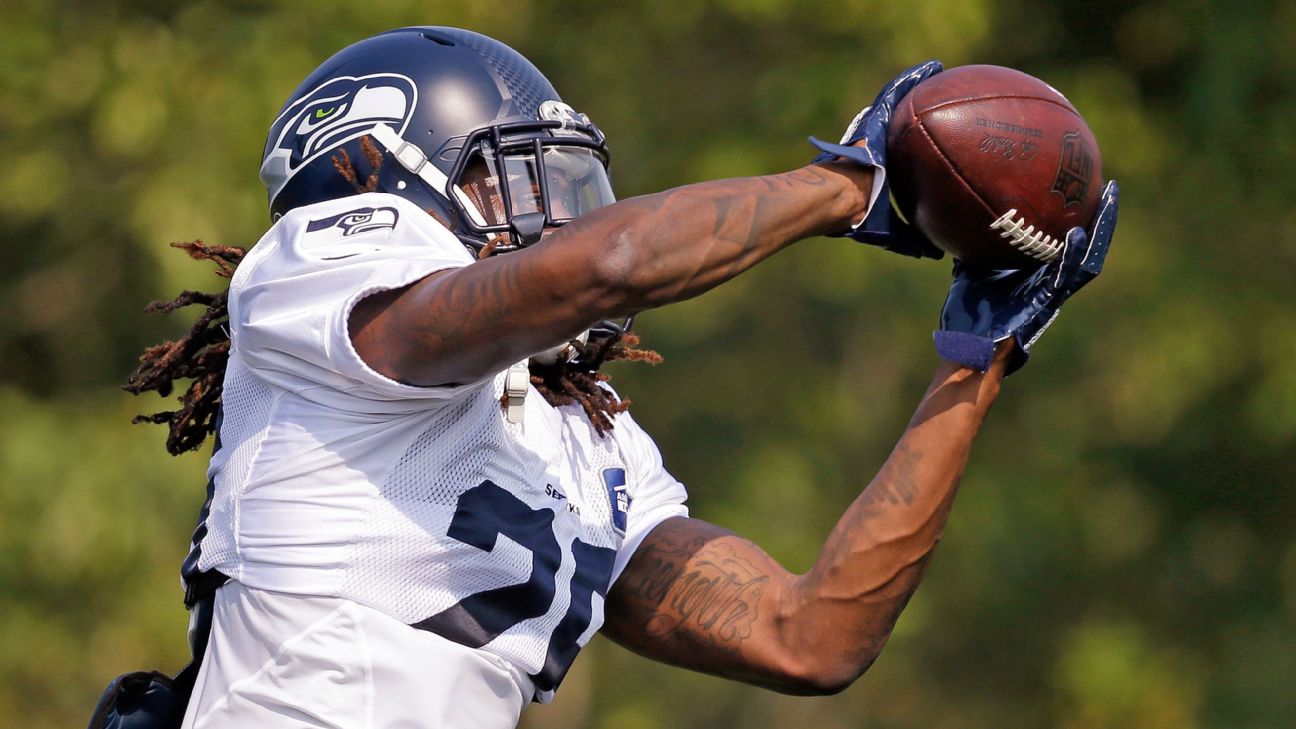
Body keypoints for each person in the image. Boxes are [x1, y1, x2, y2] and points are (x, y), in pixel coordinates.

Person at [120, 26, 1117, 729]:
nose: (560, 215)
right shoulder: (315, 278)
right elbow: (605, 264)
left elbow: (808, 638)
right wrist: (847, 185)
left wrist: (973, 366)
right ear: (392, 184)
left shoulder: (577, 439)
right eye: (518, 180)